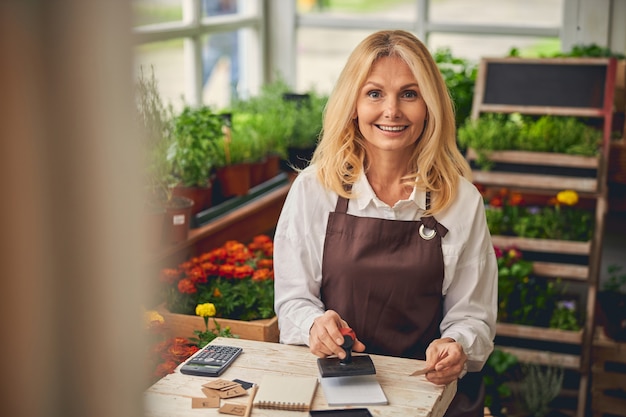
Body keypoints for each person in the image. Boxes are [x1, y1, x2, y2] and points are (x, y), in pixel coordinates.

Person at [273, 30, 497, 417]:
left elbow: (472, 314)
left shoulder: (460, 201)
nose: (391, 111)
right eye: (374, 93)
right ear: (353, 104)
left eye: (409, 94)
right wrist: (314, 324)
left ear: (429, 106)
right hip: (336, 390)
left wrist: (456, 344)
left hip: (427, 394)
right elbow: (294, 299)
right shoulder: (314, 190)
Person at [202, 0, 238, 99]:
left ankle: (236, 106)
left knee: (235, 82)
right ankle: (192, 104)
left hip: (236, 43)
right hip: (215, 42)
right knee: (201, 75)